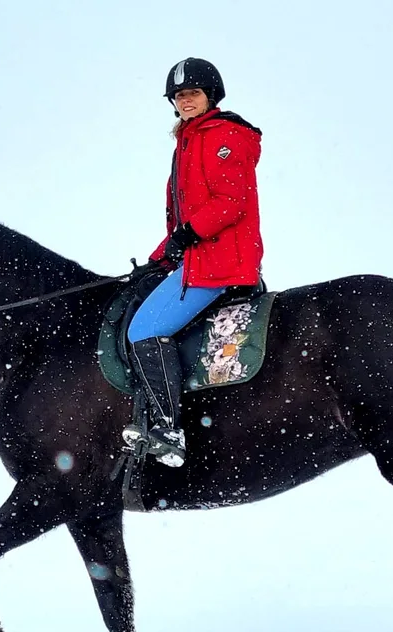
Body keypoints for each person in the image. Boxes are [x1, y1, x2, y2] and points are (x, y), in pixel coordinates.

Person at [123, 56, 264, 468]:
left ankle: (168, 430)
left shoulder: (223, 135)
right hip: (200, 256)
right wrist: (157, 257)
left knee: (145, 329)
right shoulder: (188, 139)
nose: (186, 101)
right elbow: (186, 218)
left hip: (219, 261)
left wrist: (188, 234)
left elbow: (231, 202)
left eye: (193, 94)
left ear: (211, 96)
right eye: (180, 95)